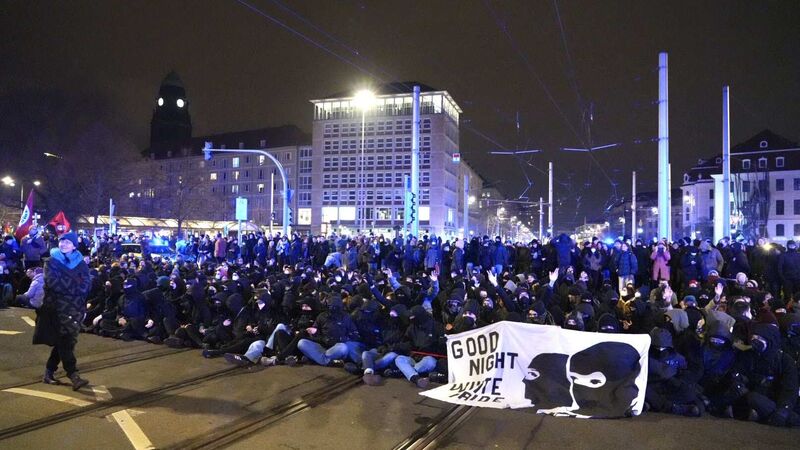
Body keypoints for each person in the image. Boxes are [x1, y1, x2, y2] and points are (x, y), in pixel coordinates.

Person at [34, 232, 91, 390]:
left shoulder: (81, 263)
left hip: (76, 309)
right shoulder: (51, 261)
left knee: (67, 341)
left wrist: (71, 285)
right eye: (62, 241)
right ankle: (73, 375)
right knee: (65, 340)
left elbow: (86, 284)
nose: (63, 244)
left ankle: (48, 372)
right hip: (57, 308)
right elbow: (53, 283)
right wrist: (75, 284)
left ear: (74, 245)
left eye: (67, 242)